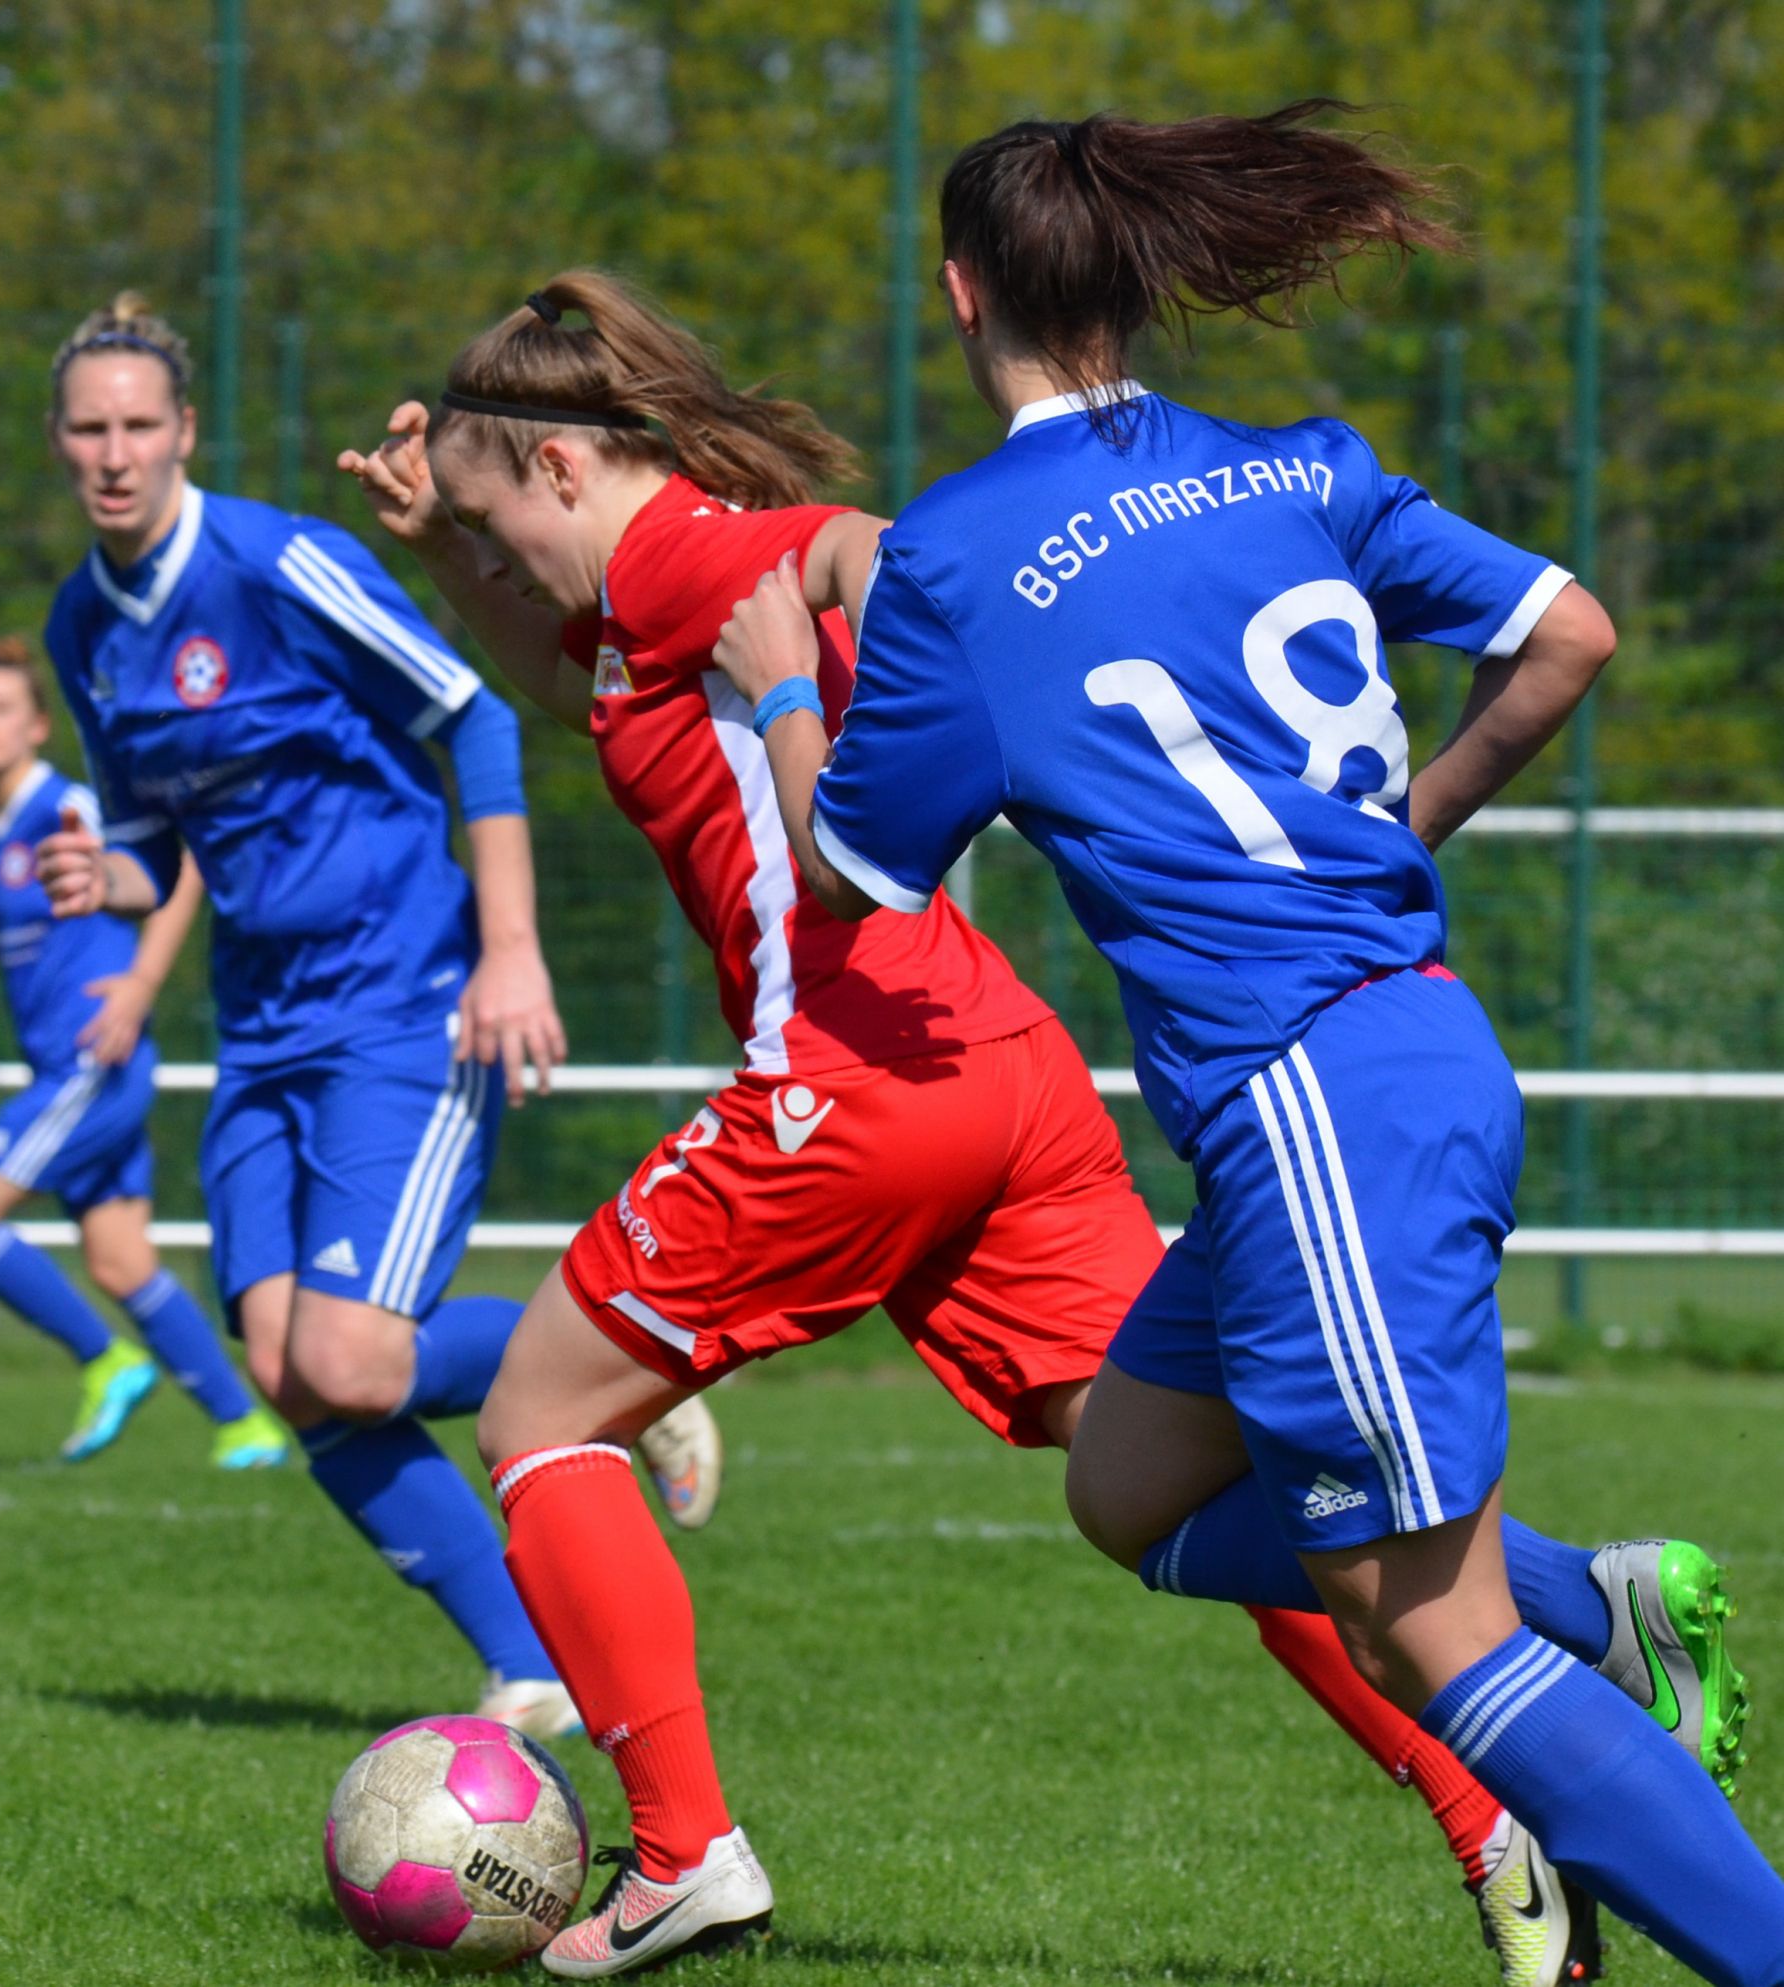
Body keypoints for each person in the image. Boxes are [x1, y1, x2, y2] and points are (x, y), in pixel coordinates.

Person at [339, 267, 1653, 1980]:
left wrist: (900, 631)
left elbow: (865, 553)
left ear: (567, 467)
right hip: (991, 1066)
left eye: (500, 521)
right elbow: (571, 674)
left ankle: (683, 1854)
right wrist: (449, 551)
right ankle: (1531, 1728)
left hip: (848, 1084)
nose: (504, 558)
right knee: (1187, 1470)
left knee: (542, 1416)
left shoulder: (686, 555)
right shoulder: (644, 597)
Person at [717, 101, 1783, 1986]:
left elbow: (850, 871)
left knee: (1424, 1632)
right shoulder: (1299, 465)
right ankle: (1595, 1605)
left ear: (960, 296)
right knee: (1128, 1483)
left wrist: (784, 683)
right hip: (1376, 1067)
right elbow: (1573, 633)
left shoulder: (954, 556)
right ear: (1134, 283)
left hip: (1312, 1098)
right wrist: (1402, 831)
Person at [30, 290, 720, 1739]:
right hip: (262, 1025)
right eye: (90, 428)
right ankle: (531, 1665)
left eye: (139, 424)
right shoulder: (83, 626)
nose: (115, 452)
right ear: (61, 442)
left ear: (184, 432)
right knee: (291, 1374)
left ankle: (629, 1371)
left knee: (348, 1358)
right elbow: (153, 846)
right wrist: (106, 873)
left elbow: (472, 714)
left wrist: (510, 952)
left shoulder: (275, 564)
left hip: (404, 1000)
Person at [0, 638, 293, 1468]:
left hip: (93, 1060)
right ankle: (244, 1427)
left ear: (38, 724)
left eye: (1, 708)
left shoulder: (67, 805)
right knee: (121, 1261)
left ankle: (105, 1358)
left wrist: (142, 982)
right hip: (65, 1068)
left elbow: (180, 865)